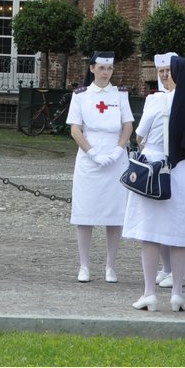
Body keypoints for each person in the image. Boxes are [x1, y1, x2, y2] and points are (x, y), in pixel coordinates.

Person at [124, 55, 185, 312]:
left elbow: (140, 135)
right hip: (184, 172)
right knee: (179, 236)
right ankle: (177, 294)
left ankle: (149, 292)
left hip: (156, 171)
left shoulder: (156, 100)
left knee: (150, 236)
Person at [67, 51, 134, 284]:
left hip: (115, 156)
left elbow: (127, 124)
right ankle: (84, 265)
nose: (106, 73)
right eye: (102, 68)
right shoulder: (81, 96)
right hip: (89, 156)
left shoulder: (120, 94)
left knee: (114, 213)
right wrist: (91, 152)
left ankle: (110, 265)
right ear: (92, 69)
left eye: (110, 69)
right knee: (85, 212)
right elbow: (75, 128)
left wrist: (118, 149)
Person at [135, 54, 175, 288]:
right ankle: (165, 267)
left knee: (166, 217)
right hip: (154, 158)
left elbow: (141, 133)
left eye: (168, 70)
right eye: (160, 71)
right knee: (155, 218)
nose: (163, 75)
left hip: (168, 160)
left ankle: (171, 268)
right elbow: (141, 135)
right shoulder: (154, 99)